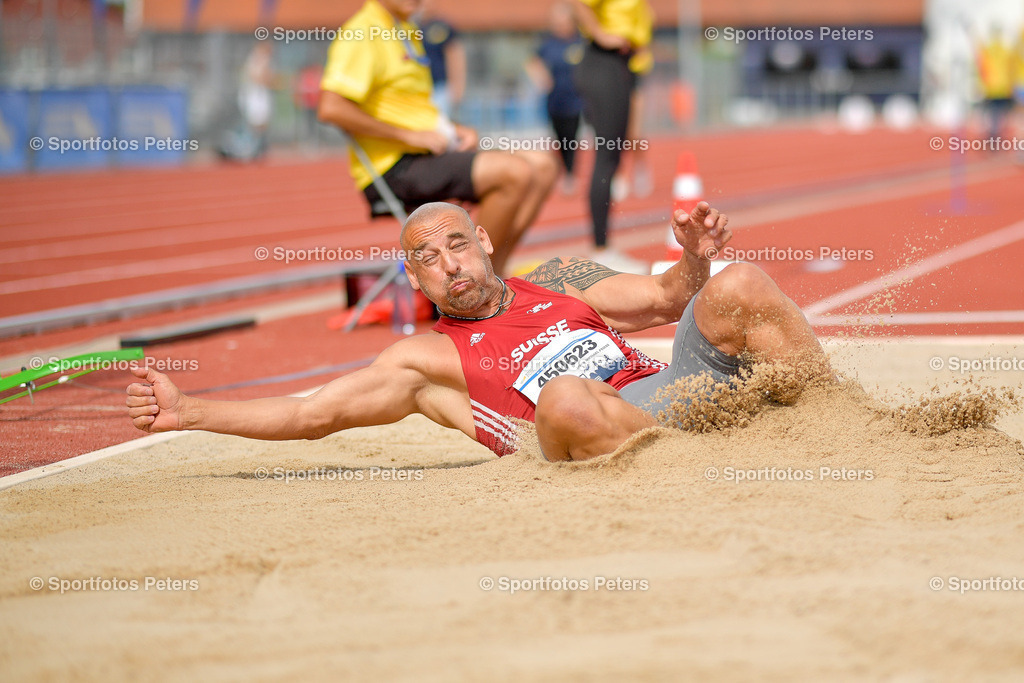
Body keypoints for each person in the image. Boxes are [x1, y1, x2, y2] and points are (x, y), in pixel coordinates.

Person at [126, 201, 831, 462]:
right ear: (416, 282)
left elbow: (667, 296)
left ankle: (841, 417)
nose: (447, 264)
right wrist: (188, 410)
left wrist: (697, 258)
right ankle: (684, 468)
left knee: (735, 283)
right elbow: (315, 413)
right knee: (561, 397)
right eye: (426, 259)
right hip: (589, 425)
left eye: (456, 244)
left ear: (486, 241)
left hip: (670, 393)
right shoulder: (425, 358)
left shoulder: (557, 275)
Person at [317, 0, 557, 276]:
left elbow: (414, 109)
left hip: (429, 153)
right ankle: (478, 280)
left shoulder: (405, 29)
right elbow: (331, 107)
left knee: (544, 166)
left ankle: (494, 273)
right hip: (393, 166)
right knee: (514, 172)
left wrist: (454, 128)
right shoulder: (362, 33)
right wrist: (408, 135)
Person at [570, 0, 653, 272]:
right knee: (606, 157)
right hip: (603, 63)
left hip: (621, 65)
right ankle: (601, 248)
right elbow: (579, 3)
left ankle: (604, 246)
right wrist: (601, 34)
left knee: (613, 157)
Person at [525, 1, 586, 194]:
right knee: (558, 138)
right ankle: (563, 170)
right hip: (554, 100)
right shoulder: (547, 43)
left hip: (576, 100)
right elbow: (532, 62)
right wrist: (541, 77)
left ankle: (570, 174)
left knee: (572, 137)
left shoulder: (580, 41)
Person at [416, 0, 466, 119]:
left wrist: (458, 87)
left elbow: (455, 57)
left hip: (440, 87)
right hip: (419, 87)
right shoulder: (412, 26)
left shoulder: (442, 27)